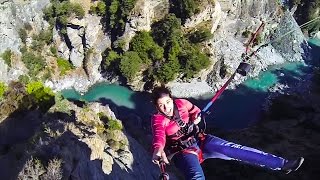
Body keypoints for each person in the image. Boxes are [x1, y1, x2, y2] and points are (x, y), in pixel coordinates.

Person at [150, 86, 304, 180]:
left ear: (172, 98)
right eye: (161, 105)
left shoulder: (182, 103)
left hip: (201, 140)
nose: (166, 108)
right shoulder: (158, 119)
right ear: (156, 107)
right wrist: (158, 149)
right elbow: (159, 137)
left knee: (234, 150)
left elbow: (195, 111)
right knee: (196, 178)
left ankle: (282, 164)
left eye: (168, 102)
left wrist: (196, 118)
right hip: (182, 151)